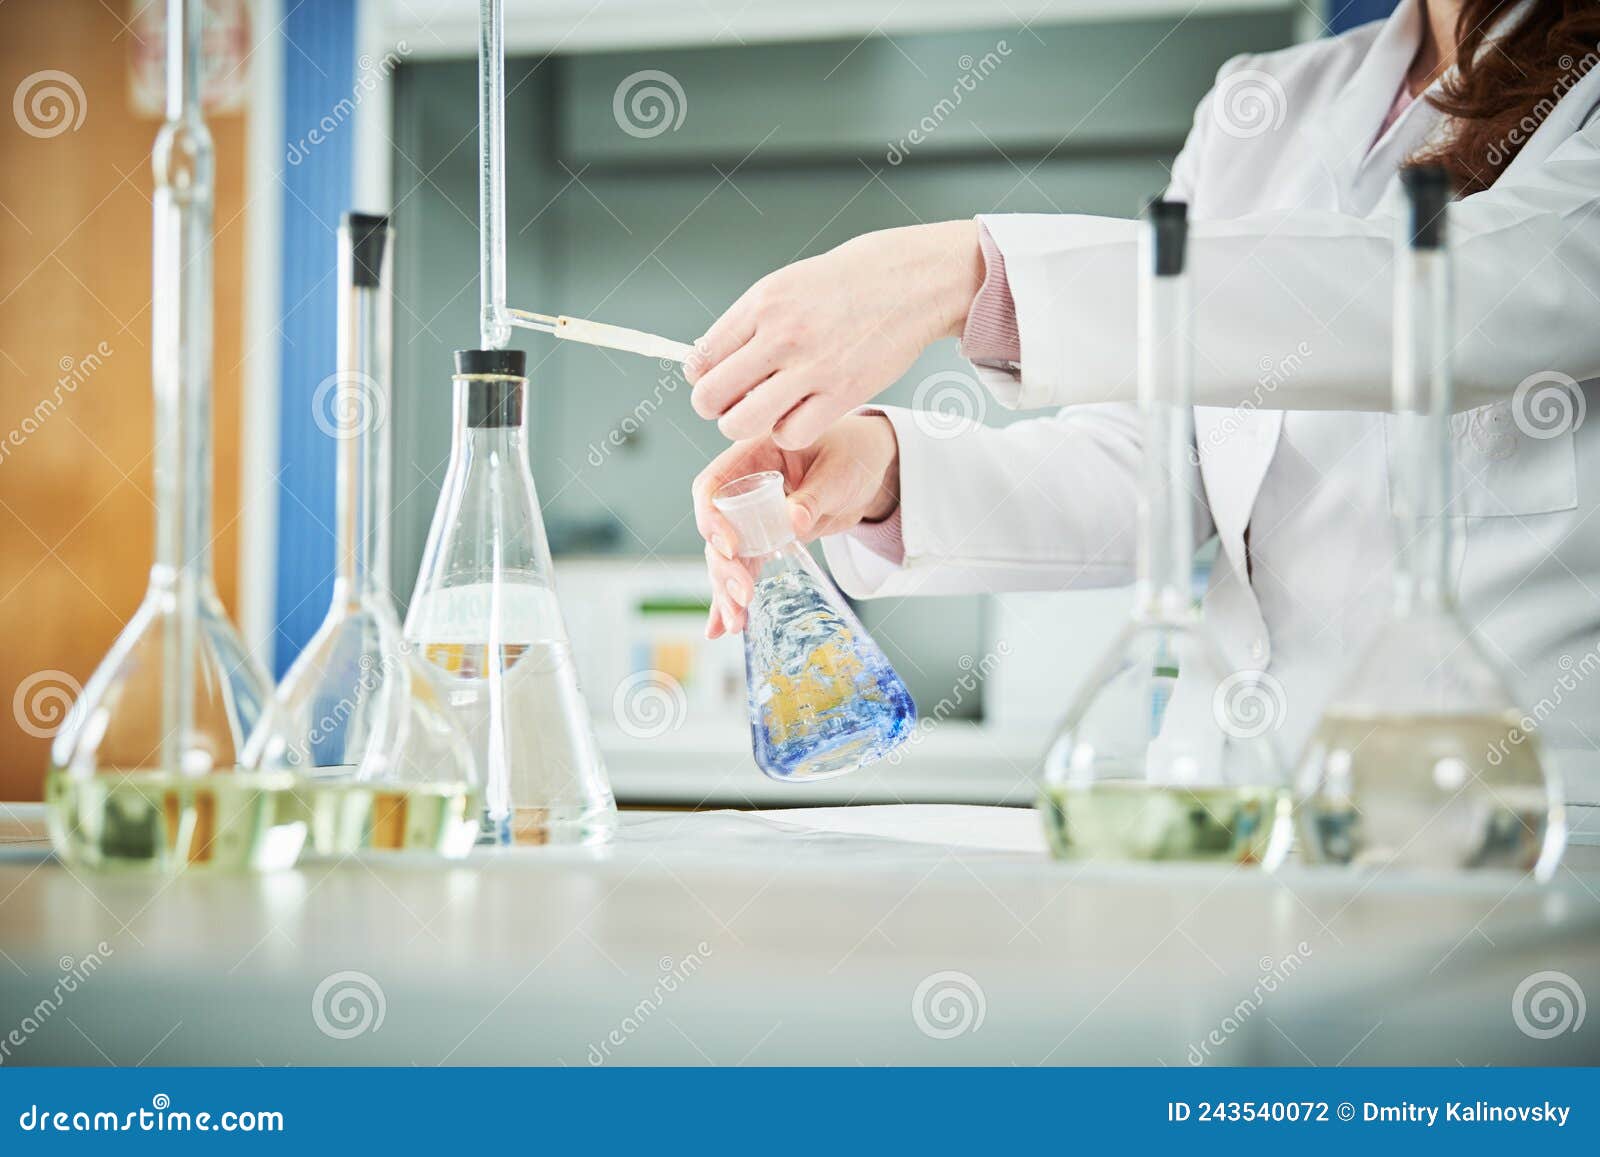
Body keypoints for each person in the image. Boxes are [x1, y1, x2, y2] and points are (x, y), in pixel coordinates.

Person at [686, 0, 1600, 773]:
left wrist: (966, 273)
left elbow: (1456, 291)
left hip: (1503, 830)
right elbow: (1156, 470)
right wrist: (882, 473)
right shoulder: (1266, 103)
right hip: (1231, 803)